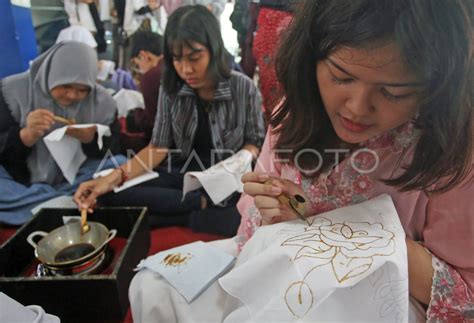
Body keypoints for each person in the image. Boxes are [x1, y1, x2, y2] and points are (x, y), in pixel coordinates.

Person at [128, 0, 473, 321]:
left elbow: (465, 293)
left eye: (393, 92)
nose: (356, 107)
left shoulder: (447, 151)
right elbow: (252, 220)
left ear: (435, 88)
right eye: (341, 76)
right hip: (275, 264)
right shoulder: (294, 114)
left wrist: (356, 235)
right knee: (152, 284)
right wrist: (271, 209)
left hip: (370, 297)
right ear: (311, 59)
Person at [74, 5, 265, 236]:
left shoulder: (242, 87)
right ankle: (200, 206)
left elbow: (255, 143)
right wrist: (113, 178)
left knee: (246, 207)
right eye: (177, 59)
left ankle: (178, 213)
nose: (186, 69)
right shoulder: (171, 88)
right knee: (110, 193)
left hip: (228, 178)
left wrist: (239, 160)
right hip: (182, 176)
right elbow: (158, 147)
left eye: (195, 57)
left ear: (214, 49)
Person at [0, 41, 123, 225]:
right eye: (65, 86)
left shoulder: (101, 101)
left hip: (77, 178)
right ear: (51, 75)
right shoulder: (14, 92)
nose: (72, 96)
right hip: (21, 182)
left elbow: (110, 151)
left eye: (82, 90)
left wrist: (90, 139)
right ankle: (66, 201)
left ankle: (47, 205)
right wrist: (26, 135)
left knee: (121, 163)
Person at [121, 31, 163, 153]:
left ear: (143, 55)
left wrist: (138, 115)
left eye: (137, 64)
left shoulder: (152, 76)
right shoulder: (176, 65)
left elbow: (153, 124)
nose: (139, 70)